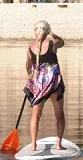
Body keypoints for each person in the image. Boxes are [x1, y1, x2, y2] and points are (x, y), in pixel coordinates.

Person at [25, 20, 66, 151]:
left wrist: (31, 76)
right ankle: (58, 144)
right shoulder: (53, 43)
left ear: (34, 31)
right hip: (54, 83)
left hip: (39, 84)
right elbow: (63, 42)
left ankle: (33, 145)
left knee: (35, 116)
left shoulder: (30, 48)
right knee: (59, 114)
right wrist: (53, 34)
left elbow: (28, 66)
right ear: (47, 31)